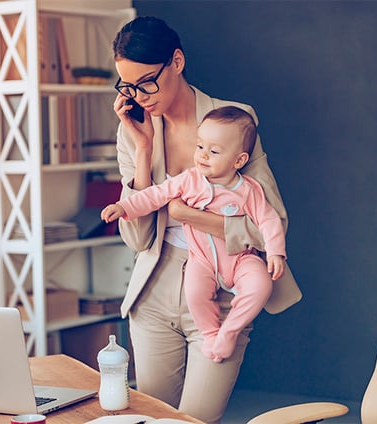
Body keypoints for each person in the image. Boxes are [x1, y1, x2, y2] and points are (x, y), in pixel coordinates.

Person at [110, 16, 302, 423]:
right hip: (155, 293)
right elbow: (139, 240)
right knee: (152, 419)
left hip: (222, 290)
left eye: (147, 82)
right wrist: (142, 153)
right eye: (127, 86)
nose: (139, 96)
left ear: (176, 62)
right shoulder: (132, 131)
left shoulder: (233, 120)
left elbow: (270, 225)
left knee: (196, 420)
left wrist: (188, 215)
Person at [101, 106, 286, 363]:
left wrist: (276, 252)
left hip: (241, 258)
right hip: (202, 261)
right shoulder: (189, 180)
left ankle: (229, 330)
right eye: (200, 147)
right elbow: (156, 195)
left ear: (239, 160)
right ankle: (211, 334)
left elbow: (269, 220)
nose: (203, 156)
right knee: (195, 291)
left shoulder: (248, 189)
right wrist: (124, 207)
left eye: (214, 151)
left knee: (261, 285)